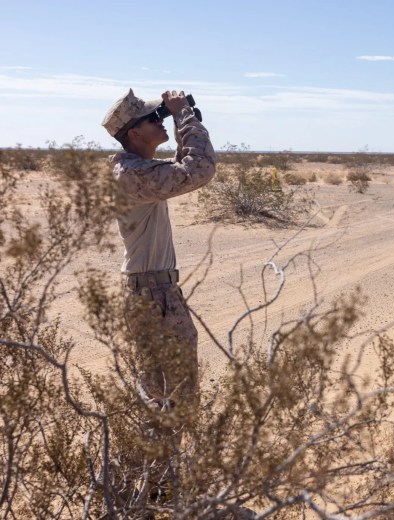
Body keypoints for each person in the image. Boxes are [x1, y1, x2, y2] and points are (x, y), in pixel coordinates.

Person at [101, 89, 216, 467]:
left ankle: (155, 481)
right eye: (154, 119)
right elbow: (198, 170)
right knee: (164, 395)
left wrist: (174, 116)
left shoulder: (136, 170)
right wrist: (184, 115)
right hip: (152, 295)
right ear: (134, 133)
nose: (160, 122)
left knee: (170, 392)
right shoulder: (135, 174)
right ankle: (149, 485)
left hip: (156, 292)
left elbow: (182, 169)